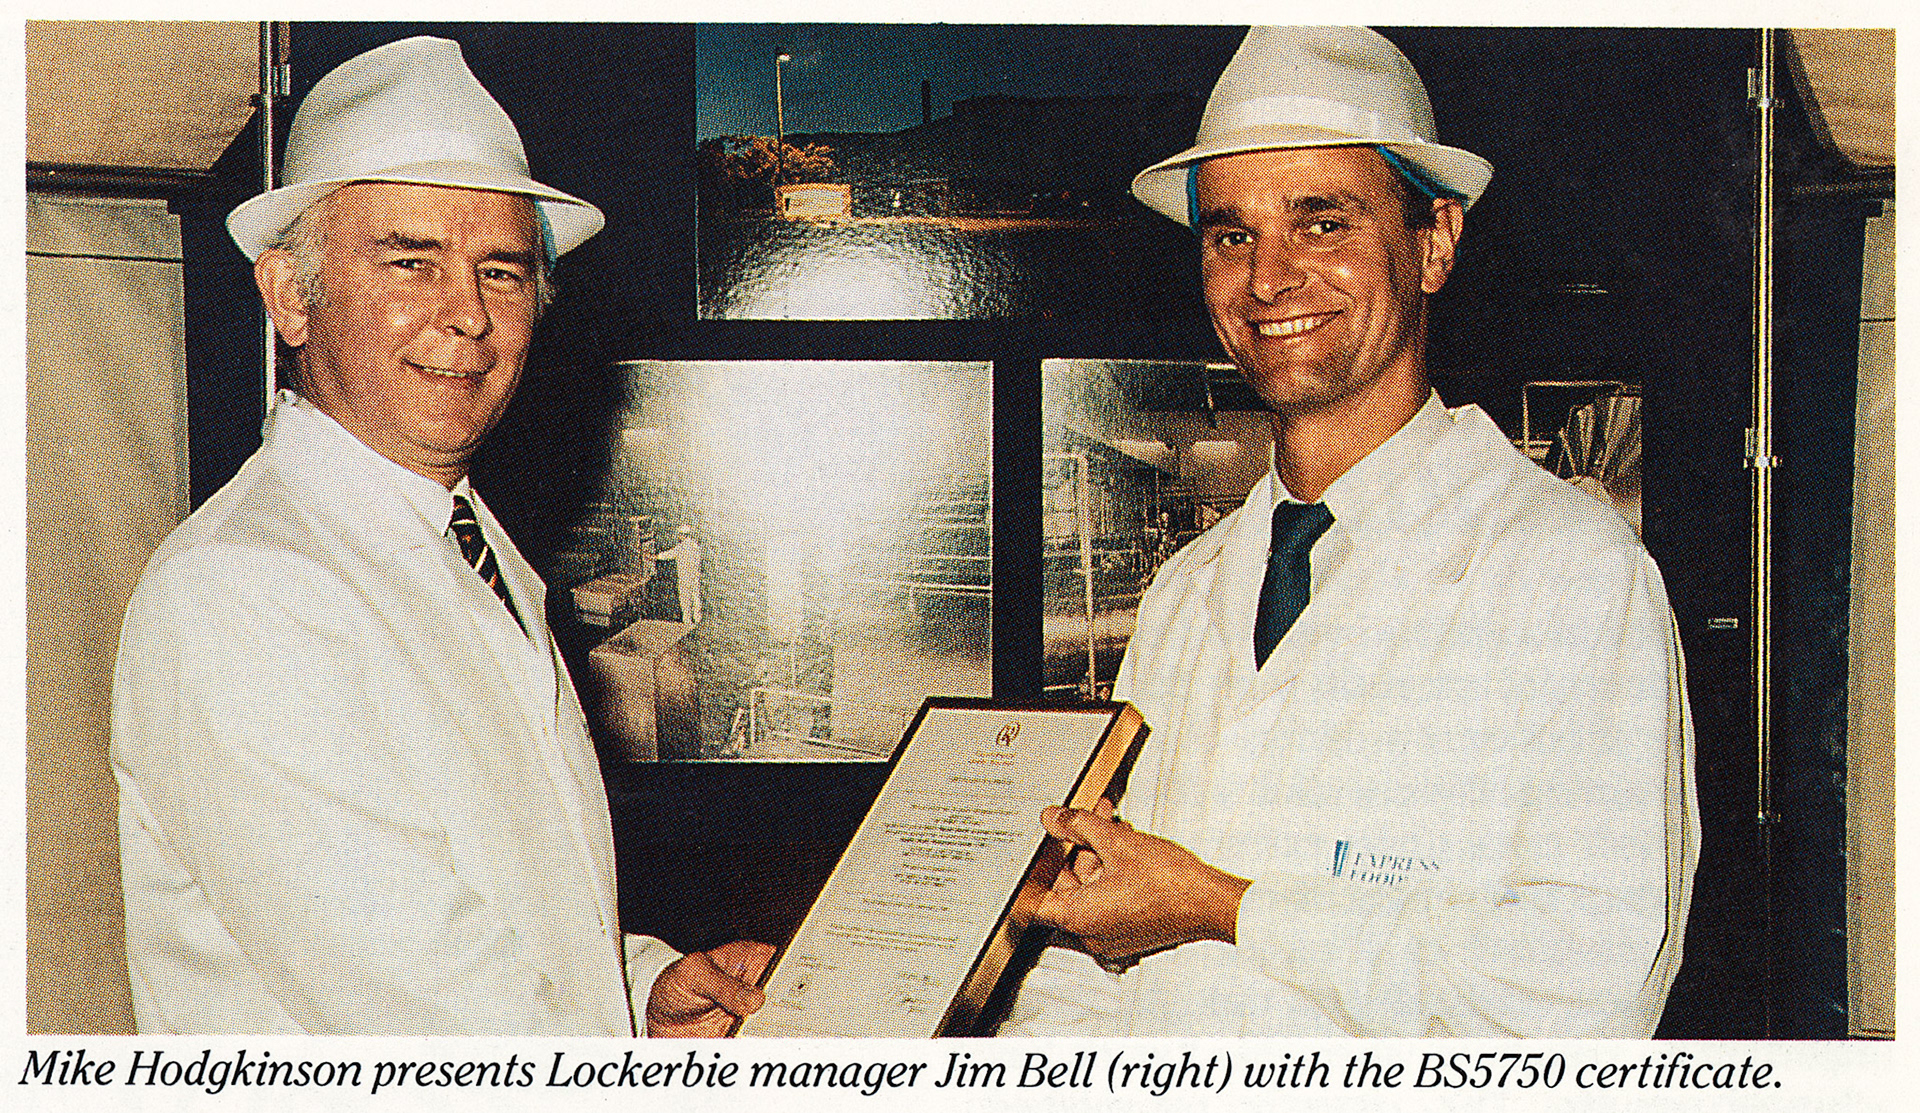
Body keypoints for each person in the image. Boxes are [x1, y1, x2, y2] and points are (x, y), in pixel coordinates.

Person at [1003, 26, 1698, 1038]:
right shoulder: (1186, 595)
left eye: (1322, 224)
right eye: (1231, 236)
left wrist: (1227, 908)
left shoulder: (1571, 578)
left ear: (1435, 243)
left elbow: (1591, 987)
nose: (1268, 279)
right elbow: (1094, 971)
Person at [110, 36, 769, 1036]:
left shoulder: (472, 544)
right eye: (411, 262)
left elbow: (488, 896)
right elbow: (429, 1009)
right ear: (290, 296)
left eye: (501, 272)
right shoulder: (240, 592)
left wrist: (637, 992)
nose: (467, 316)